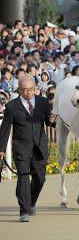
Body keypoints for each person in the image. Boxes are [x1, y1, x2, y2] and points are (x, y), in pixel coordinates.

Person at [0, 76, 57, 222]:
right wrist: (1, 149)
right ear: (19, 90)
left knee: (40, 179)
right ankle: (24, 210)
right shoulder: (12, 106)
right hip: (21, 148)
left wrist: (52, 121)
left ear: (35, 88)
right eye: (25, 90)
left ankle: (31, 202)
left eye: (31, 89)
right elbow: (5, 129)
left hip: (40, 147)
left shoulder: (43, 102)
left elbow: (48, 122)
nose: (28, 93)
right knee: (23, 179)